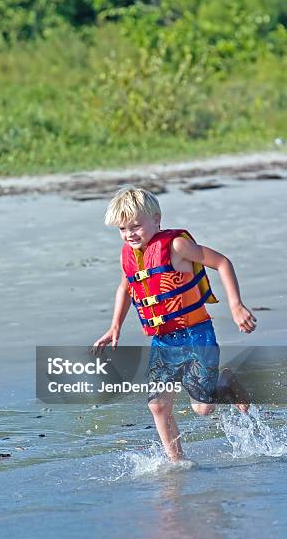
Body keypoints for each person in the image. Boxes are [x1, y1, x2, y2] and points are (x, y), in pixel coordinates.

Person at [93, 186, 256, 462]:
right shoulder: (129, 254)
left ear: (156, 219)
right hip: (163, 338)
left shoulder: (176, 246)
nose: (130, 234)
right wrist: (115, 327)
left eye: (135, 226)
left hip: (195, 333)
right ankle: (176, 462)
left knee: (203, 409)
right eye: (123, 229)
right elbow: (126, 288)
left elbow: (222, 262)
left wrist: (236, 305)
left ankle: (225, 381)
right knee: (158, 404)